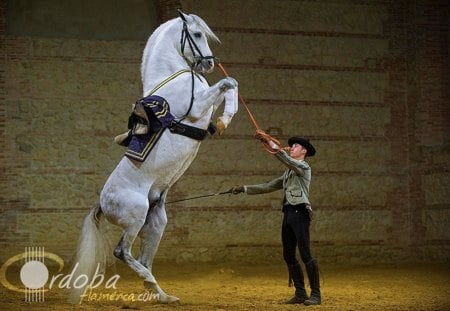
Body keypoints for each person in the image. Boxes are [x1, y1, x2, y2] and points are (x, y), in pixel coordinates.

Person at [230, 133, 321, 305]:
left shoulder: (303, 167)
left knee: (305, 254)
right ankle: (301, 293)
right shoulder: (288, 173)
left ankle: (316, 294)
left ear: (304, 151)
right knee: (288, 255)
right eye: (291, 145)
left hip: (300, 212)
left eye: (295, 146)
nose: (292, 147)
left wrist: (270, 143)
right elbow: (268, 186)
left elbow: (286, 159)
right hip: (288, 213)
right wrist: (244, 188)